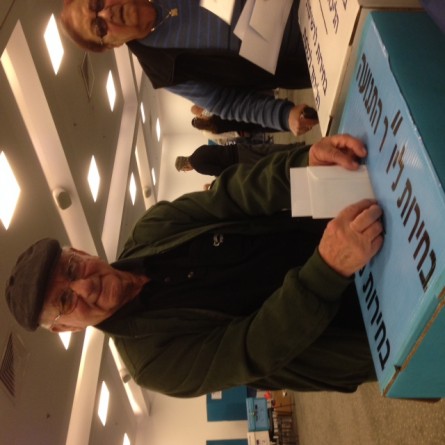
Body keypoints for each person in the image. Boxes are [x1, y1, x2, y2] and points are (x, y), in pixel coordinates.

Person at [5, 134, 384, 398]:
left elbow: (233, 197)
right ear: (66, 328)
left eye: (72, 270)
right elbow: (252, 348)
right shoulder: (151, 363)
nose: (85, 287)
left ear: (79, 252)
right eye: (66, 301)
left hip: (343, 225)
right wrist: (327, 269)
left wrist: (303, 165)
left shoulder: (152, 228)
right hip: (356, 326)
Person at [60, 0, 319, 136]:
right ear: (111, 44)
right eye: (100, 28)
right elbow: (225, 102)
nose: (107, 14)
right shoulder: (164, 68)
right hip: (306, 52)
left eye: (97, 4)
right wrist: (283, 115)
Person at [175, 141, 304, 177]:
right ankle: (296, 146)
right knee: (267, 149)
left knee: (268, 161)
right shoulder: (198, 150)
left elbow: (219, 171)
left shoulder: (198, 166)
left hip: (238, 160)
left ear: (185, 167)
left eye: (185, 170)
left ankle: (298, 158)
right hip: (236, 148)